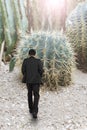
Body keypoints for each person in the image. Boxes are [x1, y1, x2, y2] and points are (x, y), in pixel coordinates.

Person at [21, 49, 44, 119]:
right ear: (35, 54)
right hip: (36, 81)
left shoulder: (25, 61)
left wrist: (27, 76)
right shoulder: (38, 61)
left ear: (29, 54)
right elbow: (41, 70)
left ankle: (31, 109)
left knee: (29, 94)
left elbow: (23, 70)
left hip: (28, 81)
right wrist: (39, 76)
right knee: (36, 95)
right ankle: (35, 111)